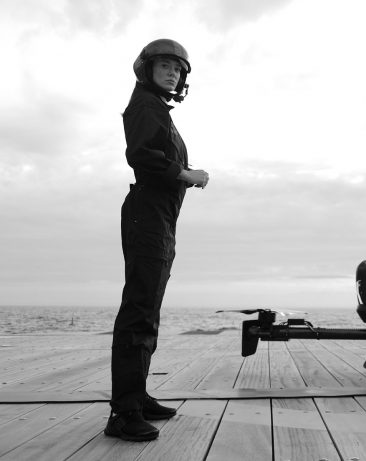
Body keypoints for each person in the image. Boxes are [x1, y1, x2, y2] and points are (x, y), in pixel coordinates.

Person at [105, 38, 209, 442]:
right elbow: (142, 155)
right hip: (147, 214)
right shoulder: (146, 106)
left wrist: (184, 171)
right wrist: (186, 174)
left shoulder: (157, 108)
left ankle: (138, 396)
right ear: (146, 69)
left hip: (159, 216)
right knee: (139, 309)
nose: (172, 73)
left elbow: (159, 155)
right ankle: (123, 413)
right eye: (165, 65)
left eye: (178, 68)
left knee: (148, 309)